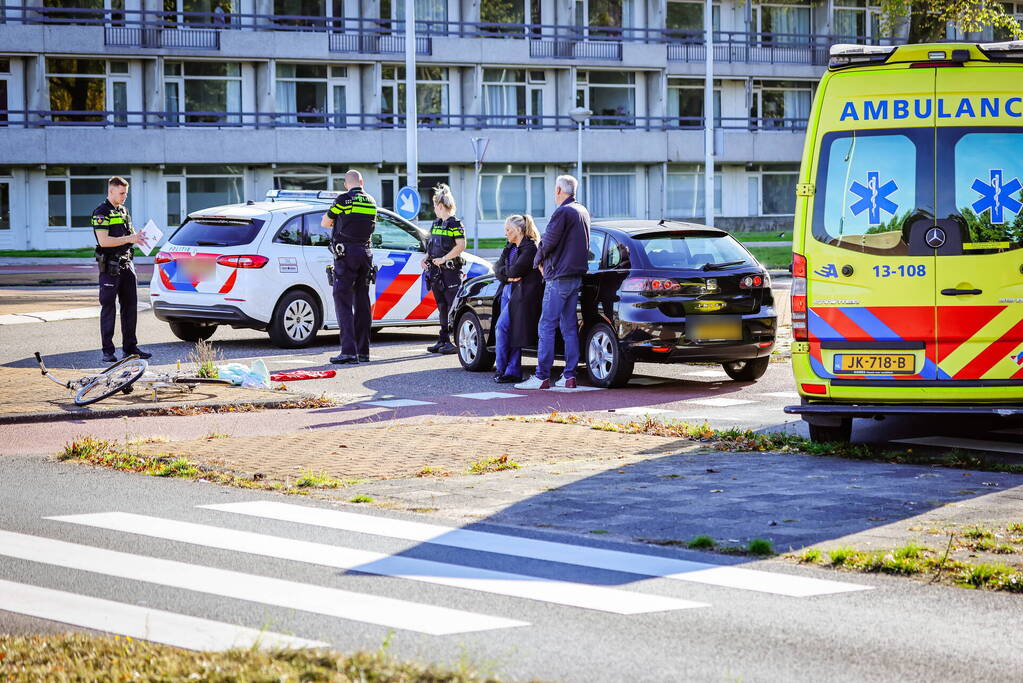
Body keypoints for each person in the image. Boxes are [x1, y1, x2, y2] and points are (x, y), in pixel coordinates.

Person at [516, 174, 590, 390]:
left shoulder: (562, 212)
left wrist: (537, 261)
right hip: (575, 276)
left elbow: (548, 241)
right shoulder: (582, 211)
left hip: (558, 277)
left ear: (559, 190)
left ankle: (542, 376)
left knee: (546, 325)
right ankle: (569, 376)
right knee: (569, 328)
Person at [92, 176, 151, 364]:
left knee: (130, 308)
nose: (125, 196)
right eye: (122, 193)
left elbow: (129, 236)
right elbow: (104, 241)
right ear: (111, 191)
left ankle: (130, 348)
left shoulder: (124, 211)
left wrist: (138, 238)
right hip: (110, 267)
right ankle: (108, 351)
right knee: (108, 308)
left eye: (126, 193)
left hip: (127, 265)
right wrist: (130, 239)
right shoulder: (101, 212)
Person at [321, 169, 377, 364]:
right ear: (362, 182)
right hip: (366, 254)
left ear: (346, 184)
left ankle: (348, 352)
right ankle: (363, 352)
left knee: (343, 301)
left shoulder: (343, 199)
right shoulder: (371, 201)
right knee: (362, 302)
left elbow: (325, 222)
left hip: (346, 255)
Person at [492, 214, 542, 383]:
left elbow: (516, 271)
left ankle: (503, 368)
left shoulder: (530, 248)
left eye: (508, 230)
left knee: (502, 327)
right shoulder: (510, 246)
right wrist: (507, 277)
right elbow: (497, 267)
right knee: (509, 330)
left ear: (519, 230)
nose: (506, 233)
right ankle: (511, 370)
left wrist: (507, 273)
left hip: (521, 294)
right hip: (507, 289)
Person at [422, 183, 466, 355]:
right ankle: (443, 339)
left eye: (434, 206)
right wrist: (426, 257)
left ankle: (453, 342)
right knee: (441, 306)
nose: (434, 209)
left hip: (450, 272)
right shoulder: (436, 223)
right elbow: (431, 244)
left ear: (440, 206)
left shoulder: (456, 224)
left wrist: (444, 259)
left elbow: (461, 245)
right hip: (436, 272)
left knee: (452, 306)